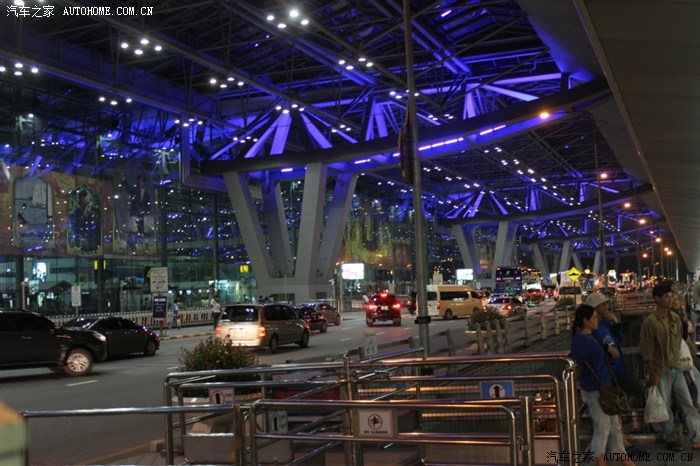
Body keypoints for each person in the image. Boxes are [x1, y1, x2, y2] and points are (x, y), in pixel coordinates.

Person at [569, 304, 635, 466]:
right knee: (603, 426)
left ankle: (622, 457)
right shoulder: (582, 341)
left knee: (613, 425)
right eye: (594, 318)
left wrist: (607, 348)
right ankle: (600, 460)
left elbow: (592, 351)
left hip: (602, 386)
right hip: (594, 388)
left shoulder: (588, 338)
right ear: (586, 321)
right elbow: (574, 359)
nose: (597, 320)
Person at [639, 283, 700, 451]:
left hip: (676, 367)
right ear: (657, 299)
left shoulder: (675, 318)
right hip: (661, 369)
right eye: (666, 296)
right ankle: (670, 436)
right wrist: (653, 373)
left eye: (670, 296)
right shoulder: (650, 322)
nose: (669, 299)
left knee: (687, 403)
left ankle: (697, 435)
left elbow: (679, 342)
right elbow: (647, 350)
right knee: (664, 405)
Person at [585, 291, 646, 453]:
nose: (606, 306)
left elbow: (617, 340)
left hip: (617, 369)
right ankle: (620, 447)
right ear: (595, 308)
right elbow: (591, 347)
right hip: (610, 372)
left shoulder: (605, 324)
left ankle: (621, 445)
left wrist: (616, 323)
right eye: (602, 305)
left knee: (616, 408)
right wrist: (607, 349)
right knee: (630, 395)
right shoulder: (593, 328)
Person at [68, 188, 100, 253]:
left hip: (96, 245)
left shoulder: (94, 211)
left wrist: (96, 218)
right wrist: (84, 216)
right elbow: (76, 231)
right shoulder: (73, 215)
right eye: (85, 204)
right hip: (81, 247)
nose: (88, 206)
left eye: (89, 203)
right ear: (79, 203)